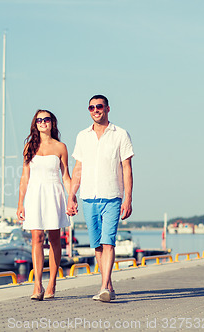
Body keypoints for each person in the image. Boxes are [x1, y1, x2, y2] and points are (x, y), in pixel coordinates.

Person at [67, 94, 134, 302]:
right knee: (97, 245)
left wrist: (128, 198)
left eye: (99, 106)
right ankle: (109, 285)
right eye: (91, 107)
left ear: (107, 108)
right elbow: (78, 169)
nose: (95, 110)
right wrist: (71, 196)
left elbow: (127, 168)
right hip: (88, 197)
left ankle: (104, 287)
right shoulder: (82, 136)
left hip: (112, 195)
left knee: (108, 243)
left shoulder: (120, 134)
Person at [17, 109, 71, 301]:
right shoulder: (29, 147)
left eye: (46, 119)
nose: (42, 122)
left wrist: (72, 197)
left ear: (52, 123)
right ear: (35, 123)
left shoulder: (60, 147)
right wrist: (20, 203)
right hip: (34, 194)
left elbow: (65, 176)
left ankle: (52, 283)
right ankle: (37, 284)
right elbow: (25, 177)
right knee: (36, 238)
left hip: (54, 193)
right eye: (39, 120)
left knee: (54, 239)